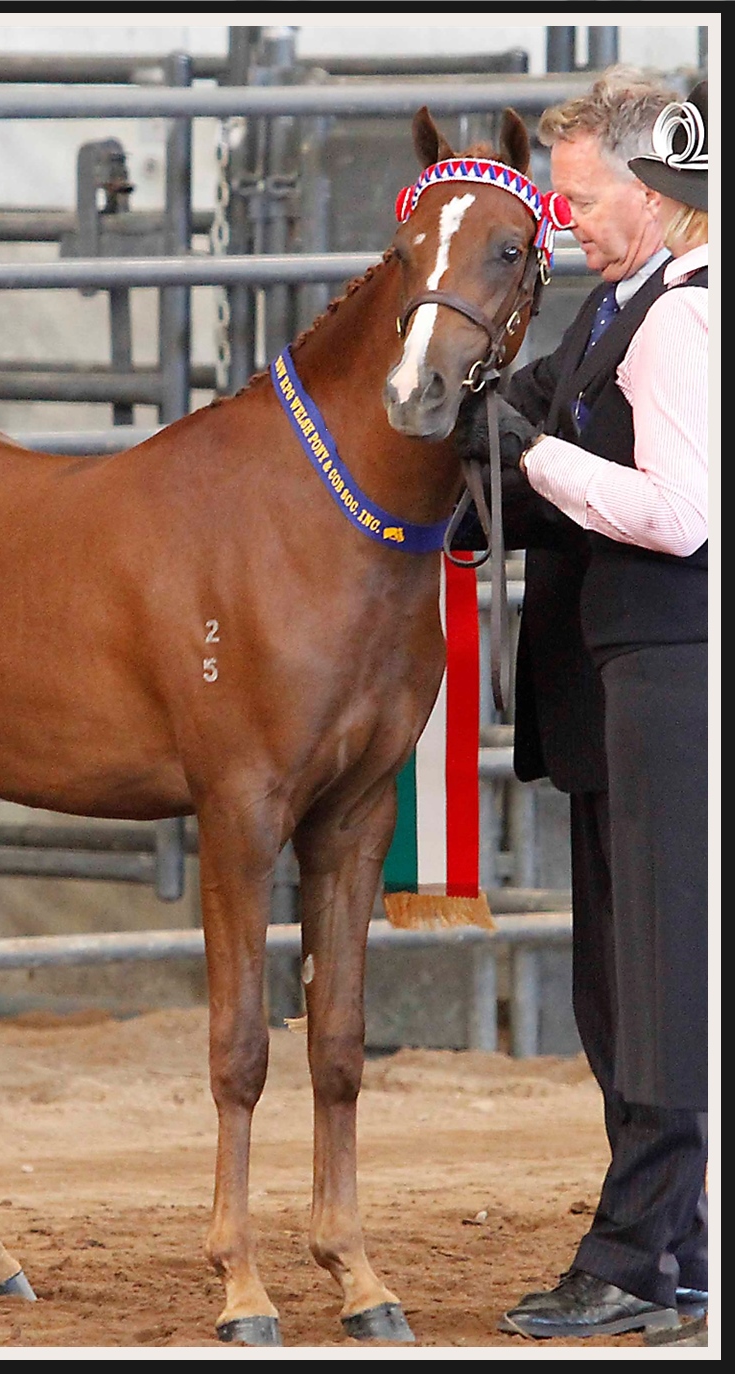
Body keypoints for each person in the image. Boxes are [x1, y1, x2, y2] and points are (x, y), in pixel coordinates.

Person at [455, 73, 709, 1343]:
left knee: (658, 981)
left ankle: (625, 1260)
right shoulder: (615, 308)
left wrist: (528, 453)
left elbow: (675, 514)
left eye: (582, 196)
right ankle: (679, 1259)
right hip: (619, 679)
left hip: (676, 672)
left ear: (657, 194)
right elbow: (505, 428)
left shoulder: (679, 324)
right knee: (622, 983)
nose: (563, 221)